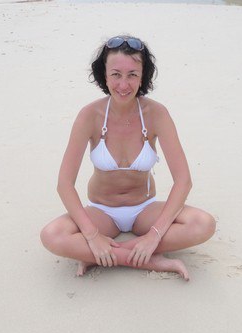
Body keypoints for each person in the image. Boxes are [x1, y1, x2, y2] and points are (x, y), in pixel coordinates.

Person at [40, 35, 215, 280]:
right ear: (104, 75)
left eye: (132, 74)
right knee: (52, 235)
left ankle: (104, 255)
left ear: (143, 76)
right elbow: (64, 184)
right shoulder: (89, 116)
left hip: (145, 209)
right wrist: (92, 235)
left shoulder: (157, 114)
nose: (124, 84)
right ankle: (145, 260)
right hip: (101, 212)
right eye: (116, 74)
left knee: (203, 223)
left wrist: (154, 235)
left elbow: (183, 181)